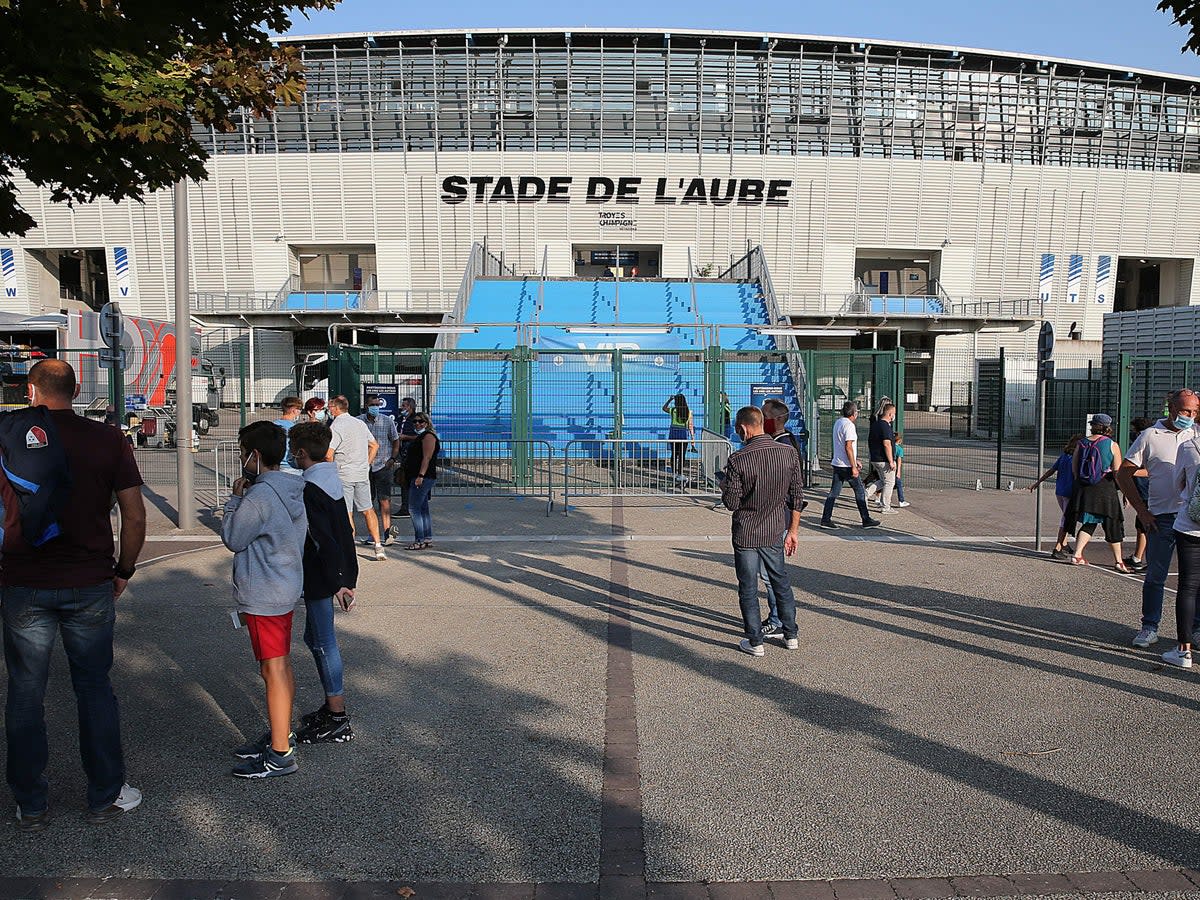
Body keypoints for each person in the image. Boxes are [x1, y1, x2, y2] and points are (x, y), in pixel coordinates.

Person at [1, 359, 146, 828]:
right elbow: (135, 515)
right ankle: (104, 794)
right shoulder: (108, 438)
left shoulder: (7, 436)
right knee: (94, 689)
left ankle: (30, 801)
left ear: (31, 390)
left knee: (25, 692)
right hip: (89, 581)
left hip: (23, 581)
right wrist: (123, 569)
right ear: (77, 389)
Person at [222, 421, 307, 778]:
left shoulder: (258, 497)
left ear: (254, 455)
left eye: (243, 453)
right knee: (280, 665)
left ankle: (280, 753)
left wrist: (234, 501)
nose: (241, 459)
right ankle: (280, 731)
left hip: (264, 592)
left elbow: (234, 538)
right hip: (284, 585)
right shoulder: (291, 488)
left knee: (272, 669)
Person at [289, 421, 359, 741]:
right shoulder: (330, 479)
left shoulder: (309, 489)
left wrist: (338, 582)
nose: (290, 455)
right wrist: (349, 575)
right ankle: (332, 707)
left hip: (319, 576)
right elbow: (344, 531)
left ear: (301, 452)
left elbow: (322, 540)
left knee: (323, 642)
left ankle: (337, 716)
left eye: (293, 450)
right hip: (329, 574)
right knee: (314, 638)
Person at [1115, 389, 1200, 648]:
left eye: (1195, 411)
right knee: (1156, 575)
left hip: (1192, 518)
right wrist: (1141, 509)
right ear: (1171, 408)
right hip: (1161, 517)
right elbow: (1123, 473)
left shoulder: (1196, 434)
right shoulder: (1150, 435)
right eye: (1187, 411)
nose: (1191, 416)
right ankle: (1149, 626)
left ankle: (1195, 630)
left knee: (1194, 580)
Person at [720, 406, 803, 657]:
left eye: (738, 430)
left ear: (744, 428)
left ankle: (755, 641)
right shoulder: (788, 453)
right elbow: (797, 496)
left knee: (748, 587)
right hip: (775, 528)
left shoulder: (738, 459)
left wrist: (725, 484)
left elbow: (732, 503)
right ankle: (790, 634)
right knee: (780, 582)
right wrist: (793, 530)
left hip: (746, 531)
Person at [758, 399, 808, 639]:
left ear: (776, 418)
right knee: (769, 572)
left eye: (765, 414)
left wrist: (792, 527)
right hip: (774, 515)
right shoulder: (779, 443)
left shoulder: (784, 445)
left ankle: (780, 621)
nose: (762, 418)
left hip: (777, 517)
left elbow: (793, 489)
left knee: (771, 573)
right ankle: (780, 620)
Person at [1065, 414, 1126, 571]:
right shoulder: (1112, 445)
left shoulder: (1081, 443)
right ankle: (1119, 561)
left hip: (1084, 488)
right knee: (1112, 522)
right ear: (1107, 427)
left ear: (1092, 425)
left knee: (1090, 521)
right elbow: (1117, 471)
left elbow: (1075, 467)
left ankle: (1077, 554)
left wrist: (1080, 481)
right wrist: (1125, 492)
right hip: (1105, 488)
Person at [327, 395, 384, 561]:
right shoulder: (359, 423)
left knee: (347, 513)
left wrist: (330, 471)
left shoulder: (336, 426)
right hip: (361, 472)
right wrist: (366, 463)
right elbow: (374, 445)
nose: (329, 410)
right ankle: (378, 545)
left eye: (330, 407)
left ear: (336, 408)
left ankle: (349, 547)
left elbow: (329, 454)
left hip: (343, 473)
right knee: (368, 509)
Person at [1162, 432, 1200, 667]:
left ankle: (1184, 651)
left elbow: (1178, 484)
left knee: (1188, 586)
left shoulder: (1189, 446)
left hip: (1190, 525)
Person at [819, 401, 881, 529]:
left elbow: (844, 446)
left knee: (834, 492)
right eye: (857, 411)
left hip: (838, 463)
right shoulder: (849, 426)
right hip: (846, 465)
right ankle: (866, 519)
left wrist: (855, 459)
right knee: (859, 491)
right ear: (854, 413)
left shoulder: (838, 422)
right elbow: (848, 447)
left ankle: (825, 519)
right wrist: (853, 465)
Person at [1028, 434, 1082, 560]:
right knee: (1066, 519)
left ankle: (1064, 543)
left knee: (1066, 516)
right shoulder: (1077, 458)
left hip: (1060, 491)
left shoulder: (1064, 456)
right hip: (1070, 492)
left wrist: (1038, 482)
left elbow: (1051, 470)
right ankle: (1058, 547)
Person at [358, 394, 400, 545]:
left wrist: (392, 459)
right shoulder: (358, 421)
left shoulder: (387, 421)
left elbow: (395, 441)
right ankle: (372, 533)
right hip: (364, 466)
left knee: (385, 500)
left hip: (382, 465)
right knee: (367, 502)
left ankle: (387, 532)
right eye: (372, 404)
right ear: (366, 405)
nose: (375, 407)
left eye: (377, 404)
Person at [402, 412, 440, 550]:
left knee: (413, 508)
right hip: (419, 475)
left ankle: (419, 539)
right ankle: (427, 537)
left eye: (421, 421)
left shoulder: (428, 436)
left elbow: (427, 458)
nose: (417, 424)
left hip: (423, 476)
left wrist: (420, 476)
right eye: (415, 422)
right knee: (422, 508)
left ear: (427, 423)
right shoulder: (421, 437)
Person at [1123, 417, 1153, 571]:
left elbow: (1150, 471)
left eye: (1135, 430)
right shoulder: (1139, 446)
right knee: (1141, 527)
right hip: (1141, 493)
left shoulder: (1148, 444)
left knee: (1148, 528)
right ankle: (1137, 557)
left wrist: (1131, 472)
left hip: (1149, 494)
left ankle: (1150, 560)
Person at [867, 402, 899, 513]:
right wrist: (891, 461)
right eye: (893, 413)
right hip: (883, 459)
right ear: (890, 414)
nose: (894, 416)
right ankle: (886, 506)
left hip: (875, 458)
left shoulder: (875, 424)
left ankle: (866, 493)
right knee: (890, 482)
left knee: (883, 480)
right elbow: (887, 444)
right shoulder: (885, 426)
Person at [394, 397, 419, 519]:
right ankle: (406, 506)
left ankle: (408, 507)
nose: (402, 408)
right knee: (404, 481)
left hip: (412, 454)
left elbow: (420, 436)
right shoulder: (400, 420)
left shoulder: (416, 420)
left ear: (410, 407)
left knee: (409, 482)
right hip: (403, 453)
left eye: (404, 406)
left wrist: (405, 437)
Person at [662, 394, 695, 485]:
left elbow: (664, 408)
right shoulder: (688, 411)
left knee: (674, 454)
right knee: (681, 455)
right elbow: (690, 425)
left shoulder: (673, 410)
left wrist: (669, 400)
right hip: (683, 435)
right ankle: (680, 474)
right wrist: (692, 438)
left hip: (673, 434)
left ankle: (673, 473)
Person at [274, 396, 304, 475]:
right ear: (294, 410)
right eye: (299, 409)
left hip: (275, 466)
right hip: (291, 467)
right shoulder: (295, 428)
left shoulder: (273, 425)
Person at [892, 432, 911, 508]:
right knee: (899, 484)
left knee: (884, 483)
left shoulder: (891, 446)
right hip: (895, 468)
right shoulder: (899, 449)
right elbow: (899, 461)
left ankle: (878, 498)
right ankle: (901, 501)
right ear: (899, 440)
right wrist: (898, 472)